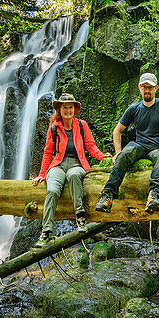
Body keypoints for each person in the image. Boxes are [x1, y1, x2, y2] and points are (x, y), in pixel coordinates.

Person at [95, 72, 159, 216]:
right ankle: (107, 196)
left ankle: (154, 195)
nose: (147, 90)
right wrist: (118, 152)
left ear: (156, 88)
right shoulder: (134, 108)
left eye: (150, 87)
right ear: (139, 88)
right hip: (140, 145)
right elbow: (117, 131)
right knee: (125, 155)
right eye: (144, 87)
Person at [31, 92, 111, 249]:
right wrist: (42, 174)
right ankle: (46, 233)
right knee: (52, 190)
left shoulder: (81, 125)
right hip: (58, 165)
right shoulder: (54, 128)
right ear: (59, 110)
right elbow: (48, 152)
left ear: (75, 109)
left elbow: (90, 145)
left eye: (70, 107)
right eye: (65, 107)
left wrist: (102, 156)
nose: (68, 110)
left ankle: (80, 218)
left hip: (77, 164)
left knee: (74, 176)